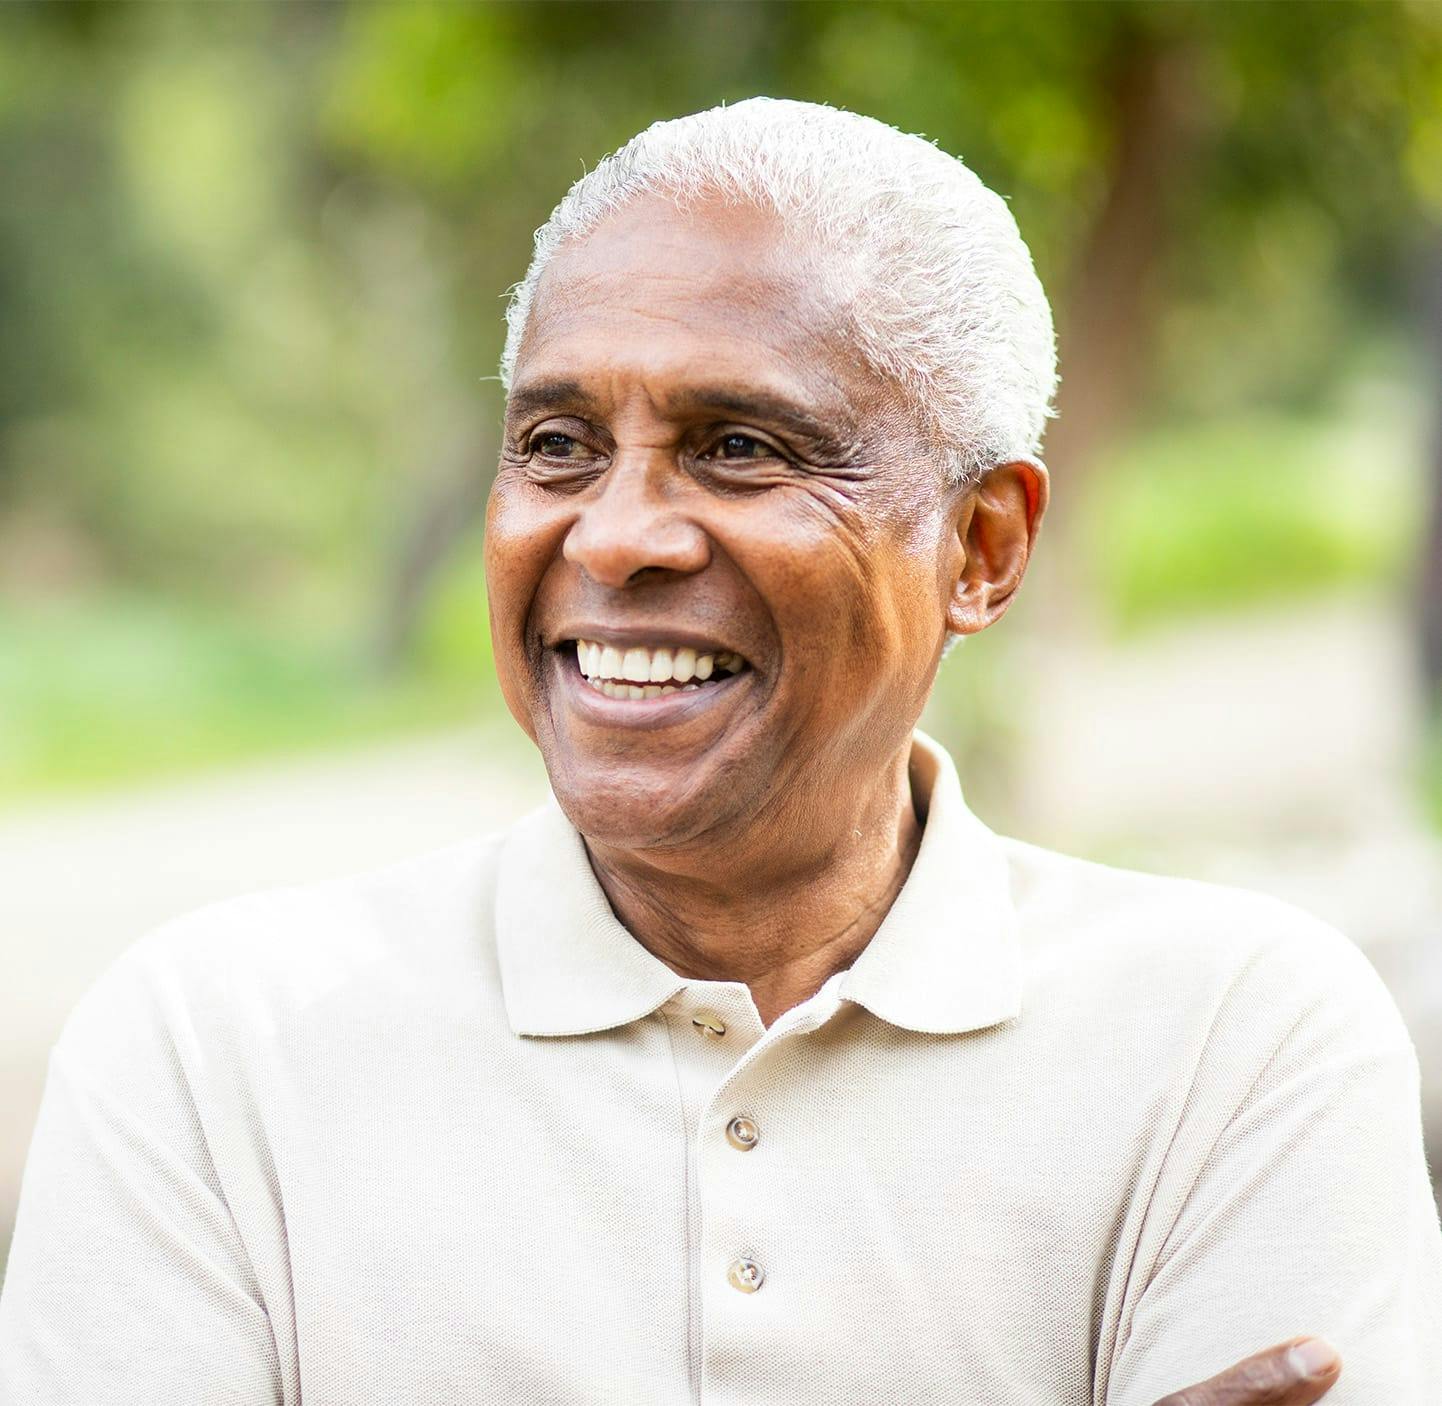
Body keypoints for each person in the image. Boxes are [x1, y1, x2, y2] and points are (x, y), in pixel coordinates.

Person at [1, 98, 1438, 1406]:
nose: (616, 535)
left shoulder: (1233, 1042)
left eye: (742, 446)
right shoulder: (209, 1052)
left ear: (982, 546)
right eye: (558, 443)